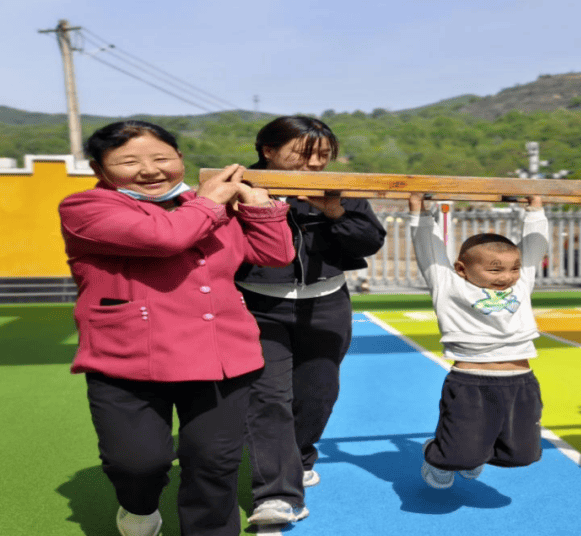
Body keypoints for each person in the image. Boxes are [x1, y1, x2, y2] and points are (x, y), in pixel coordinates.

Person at [59, 121, 295, 536]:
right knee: (137, 463)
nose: (150, 170)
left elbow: (274, 255)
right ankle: (138, 505)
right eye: (128, 162)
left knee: (214, 464)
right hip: (127, 356)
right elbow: (164, 238)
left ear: (180, 159)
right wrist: (210, 202)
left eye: (162, 158)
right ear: (99, 169)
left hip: (221, 351)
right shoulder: (86, 208)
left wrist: (259, 206)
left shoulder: (205, 203)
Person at [235, 116, 386, 525]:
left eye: (323, 155)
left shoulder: (339, 188)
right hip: (257, 306)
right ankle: (276, 494)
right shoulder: (238, 188)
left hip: (326, 305)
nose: (316, 163)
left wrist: (335, 211)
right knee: (268, 398)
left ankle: (298, 456)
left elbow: (369, 241)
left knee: (318, 394)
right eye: (304, 154)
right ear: (268, 150)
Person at [408, 193, 547, 489]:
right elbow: (428, 250)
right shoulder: (448, 286)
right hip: (471, 383)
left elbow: (534, 248)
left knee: (523, 455)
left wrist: (536, 209)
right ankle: (437, 455)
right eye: (495, 269)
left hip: (520, 381)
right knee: (457, 455)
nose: (506, 277)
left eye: (513, 268)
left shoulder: (521, 284)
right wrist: (419, 212)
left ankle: (472, 453)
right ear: (461, 269)